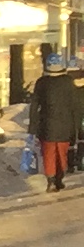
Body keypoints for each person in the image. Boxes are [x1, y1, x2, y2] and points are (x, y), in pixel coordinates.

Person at [31, 54, 82, 192]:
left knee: (48, 153)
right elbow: (75, 105)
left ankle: (51, 180)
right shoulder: (68, 82)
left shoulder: (41, 82)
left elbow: (34, 105)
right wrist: (77, 126)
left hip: (46, 125)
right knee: (62, 153)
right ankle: (59, 178)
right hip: (65, 125)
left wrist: (32, 127)